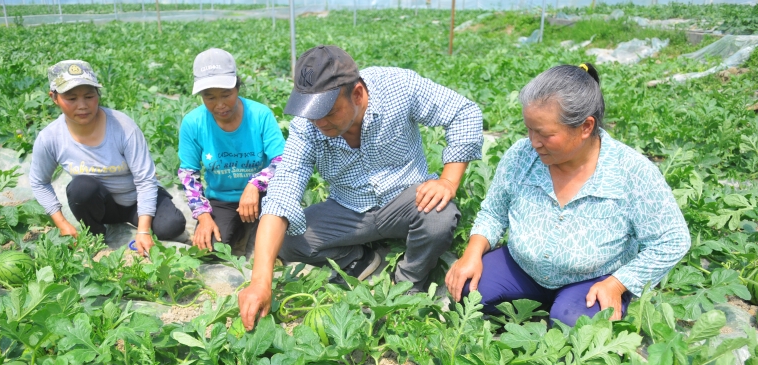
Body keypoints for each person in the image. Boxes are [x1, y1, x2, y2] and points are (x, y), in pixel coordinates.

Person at [239, 45, 483, 330]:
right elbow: (281, 194)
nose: (319, 123)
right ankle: (361, 260)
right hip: (347, 206)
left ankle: (408, 282)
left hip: (407, 198)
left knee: (439, 217)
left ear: (356, 94)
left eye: (328, 112)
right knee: (288, 240)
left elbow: (464, 112)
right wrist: (260, 282)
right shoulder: (307, 126)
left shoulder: (397, 86)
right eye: (312, 113)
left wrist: (448, 180)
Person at [445, 63, 691, 327]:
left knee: (571, 324)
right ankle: (544, 304)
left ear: (586, 127)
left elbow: (672, 240)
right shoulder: (521, 155)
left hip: (593, 279)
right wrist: (472, 254)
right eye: (529, 129)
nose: (533, 142)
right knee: (466, 293)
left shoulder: (632, 172)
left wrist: (618, 284)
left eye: (545, 134)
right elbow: (493, 212)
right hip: (523, 268)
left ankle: (564, 307)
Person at [29, 60, 186, 256]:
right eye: (71, 98)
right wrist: (62, 223)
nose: (82, 106)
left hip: (136, 199)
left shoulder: (123, 127)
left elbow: (145, 179)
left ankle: (144, 220)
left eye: (89, 96)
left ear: (98, 94)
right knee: (81, 188)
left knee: (172, 226)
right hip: (101, 206)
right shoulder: (50, 138)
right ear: (54, 98)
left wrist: (144, 230)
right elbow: (39, 182)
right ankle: (96, 235)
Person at [178, 48, 286, 251]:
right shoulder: (193, 122)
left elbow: (282, 160)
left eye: (226, 94)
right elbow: (188, 173)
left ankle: (256, 230)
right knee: (210, 249)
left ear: (237, 87)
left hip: (265, 196)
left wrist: (255, 184)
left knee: (279, 246)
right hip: (222, 199)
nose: (220, 105)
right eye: (209, 97)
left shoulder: (260, 115)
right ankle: (239, 228)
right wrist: (203, 216)